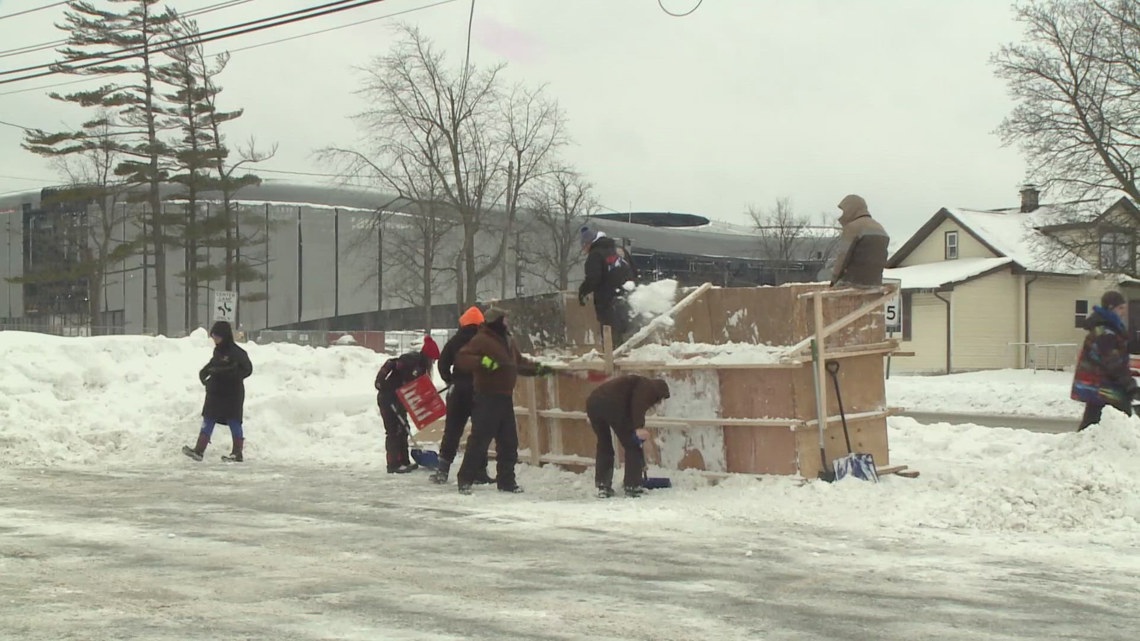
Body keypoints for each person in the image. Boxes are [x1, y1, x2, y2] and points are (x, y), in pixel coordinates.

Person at [453, 307, 553, 494]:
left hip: (504, 397)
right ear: (496, 321)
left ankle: (506, 481)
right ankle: (465, 479)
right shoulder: (481, 339)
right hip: (487, 397)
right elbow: (462, 358)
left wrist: (539, 369)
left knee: (509, 442)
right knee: (479, 441)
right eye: (504, 319)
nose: (507, 321)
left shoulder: (508, 340)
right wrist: (485, 362)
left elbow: (519, 362)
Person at [431, 306, 493, 486]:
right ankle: (480, 471)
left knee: (452, 431)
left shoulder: (455, 341)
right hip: (480, 391)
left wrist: (450, 379)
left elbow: (442, 364)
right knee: (479, 432)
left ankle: (442, 470)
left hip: (458, 391)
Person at [585, 374, 671, 498]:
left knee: (604, 445)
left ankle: (603, 486)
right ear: (659, 393)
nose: (658, 403)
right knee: (633, 444)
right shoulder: (648, 387)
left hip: (593, 404)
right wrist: (638, 428)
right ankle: (632, 486)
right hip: (612, 405)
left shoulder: (632, 386)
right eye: (660, 399)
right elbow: (638, 404)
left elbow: (630, 408)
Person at [183, 320, 253, 462]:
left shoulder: (238, 353)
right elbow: (213, 364)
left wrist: (233, 375)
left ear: (225, 336)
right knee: (209, 418)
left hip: (232, 394)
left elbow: (248, 369)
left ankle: (237, 453)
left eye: (217, 337)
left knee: (233, 421)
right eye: (214, 337)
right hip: (216, 392)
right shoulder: (218, 351)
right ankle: (199, 450)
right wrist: (204, 373)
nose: (215, 340)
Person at [1072, 290, 1138, 431]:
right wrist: (1129, 384)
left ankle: (1082, 445)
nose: (1123, 312)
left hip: (1101, 382)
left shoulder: (1110, 328)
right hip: (1101, 383)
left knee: (1093, 420)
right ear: (1110, 308)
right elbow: (1112, 362)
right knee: (1121, 415)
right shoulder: (1105, 332)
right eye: (1120, 308)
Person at [375, 335, 440, 473]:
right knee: (394, 431)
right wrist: (380, 381)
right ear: (428, 357)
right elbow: (391, 363)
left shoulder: (421, 368)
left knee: (404, 428)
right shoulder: (412, 360)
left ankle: (404, 461)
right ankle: (393, 464)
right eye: (433, 360)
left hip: (399, 399)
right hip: (388, 397)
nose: (433, 363)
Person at [578, 226, 636, 345]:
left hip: (607, 299)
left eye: (584, 246)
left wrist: (583, 291)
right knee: (626, 328)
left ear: (589, 243)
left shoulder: (595, 255)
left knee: (610, 332)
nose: (585, 250)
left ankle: (612, 358)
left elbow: (593, 278)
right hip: (627, 296)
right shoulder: (619, 250)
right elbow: (633, 270)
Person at [829, 194, 890, 288]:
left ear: (851, 209)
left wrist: (833, 281)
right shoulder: (880, 228)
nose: (842, 215)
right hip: (875, 283)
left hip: (853, 282)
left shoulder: (853, 227)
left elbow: (843, 257)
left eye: (844, 211)